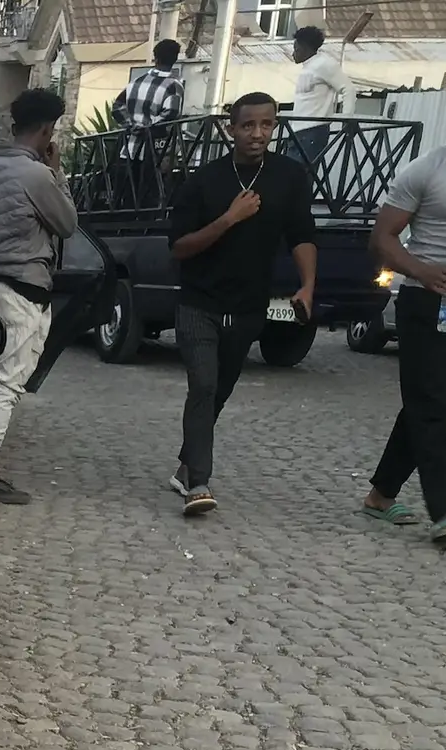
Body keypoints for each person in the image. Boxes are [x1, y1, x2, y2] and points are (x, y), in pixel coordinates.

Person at [167, 92, 316, 516]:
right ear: (231, 129)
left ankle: (185, 464)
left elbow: (302, 234)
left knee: (221, 389)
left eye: (266, 125)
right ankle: (198, 483)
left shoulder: (289, 177)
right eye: (247, 125)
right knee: (204, 384)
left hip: (248, 307)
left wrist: (308, 285)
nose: (257, 134)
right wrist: (229, 219)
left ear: (274, 127)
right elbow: (179, 247)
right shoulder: (204, 181)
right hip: (199, 302)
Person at [0, 87, 78, 505]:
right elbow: (66, 225)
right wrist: (58, 172)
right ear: (47, 130)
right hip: (22, 292)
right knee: (7, 384)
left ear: (13, 127)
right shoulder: (38, 176)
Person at [362, 103, 446, 545]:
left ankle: (381, 495)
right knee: (433, 405)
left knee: (429, 402)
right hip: (426, 302)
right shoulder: (427, 171)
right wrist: (421, 270)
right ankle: (444, 511)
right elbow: (381, 238)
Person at [112, 39, 185, 208]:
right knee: (151, 193)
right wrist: (149, 126)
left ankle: (125, 225)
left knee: (128, 192)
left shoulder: (136, 82)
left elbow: (117, 107)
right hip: (156, 149)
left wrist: (131, 125)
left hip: (130, 147)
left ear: (155, 57)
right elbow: (171, 113)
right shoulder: (174, 86)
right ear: (175, 59)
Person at [289, 27, 351, 169]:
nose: (293, 54)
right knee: (290, 175)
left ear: (305, 48)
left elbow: (348, 88)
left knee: (301, 176)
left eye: (296, 49)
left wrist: (347, 120)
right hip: (298, 131)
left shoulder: (324, 64)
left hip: (312, 131)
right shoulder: (308, 67)